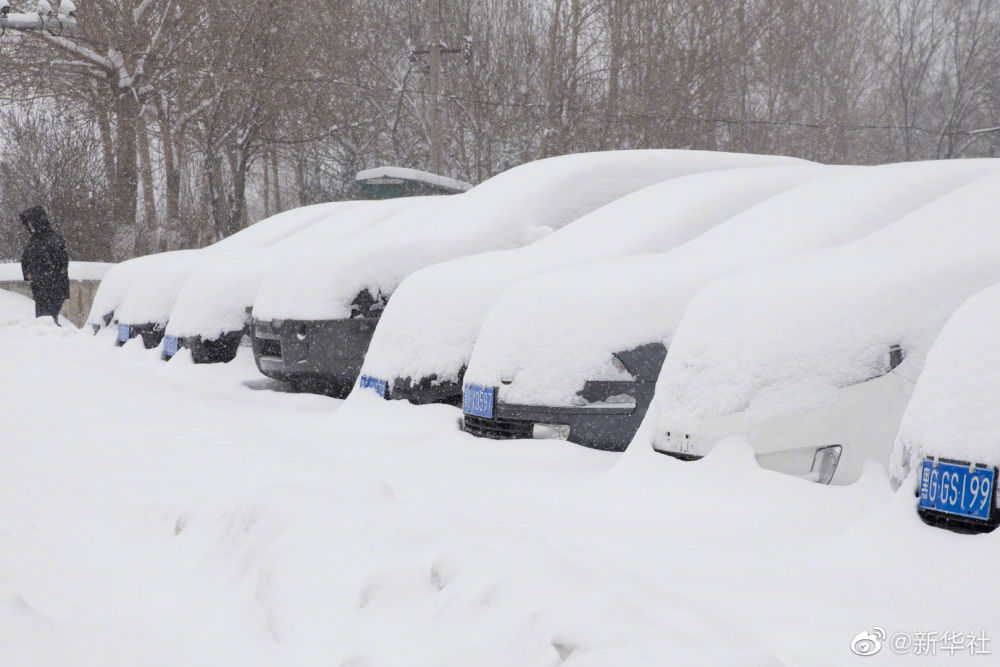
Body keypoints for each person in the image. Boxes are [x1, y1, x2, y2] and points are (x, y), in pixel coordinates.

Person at [19, 205, 70, 324]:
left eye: (30, 222)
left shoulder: (51, 239)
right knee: (44, 320)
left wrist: (40, 275)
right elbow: (26, 259)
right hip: (41, 288)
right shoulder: (35, 240)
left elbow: (60, 264)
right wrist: (29, 274)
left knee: (47, 321)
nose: (29, 225)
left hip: (52, 288)